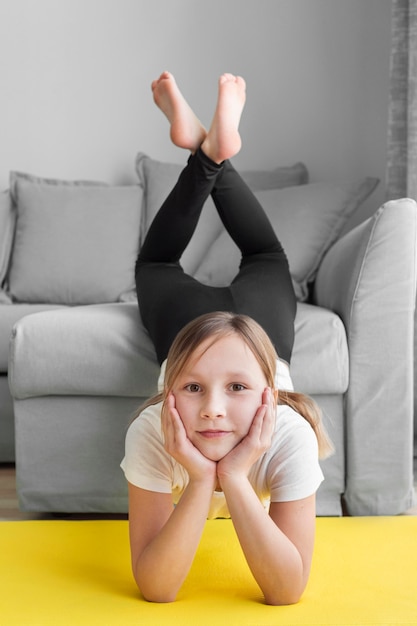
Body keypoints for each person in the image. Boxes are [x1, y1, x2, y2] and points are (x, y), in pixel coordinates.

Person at [121, 72, 333, 606]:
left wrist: (234, 478)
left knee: (159, 262)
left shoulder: (287, 433)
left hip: (208, 331)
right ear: (171, 389)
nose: (213, 411)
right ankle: (209, 150)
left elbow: (288, 591)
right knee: (261, 257)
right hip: (244, 328)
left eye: (237, 388)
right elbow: (156, 587)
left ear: (267, 391)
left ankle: (208, 150)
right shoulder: (154, 428)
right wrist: (198, 480)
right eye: (191, 389)